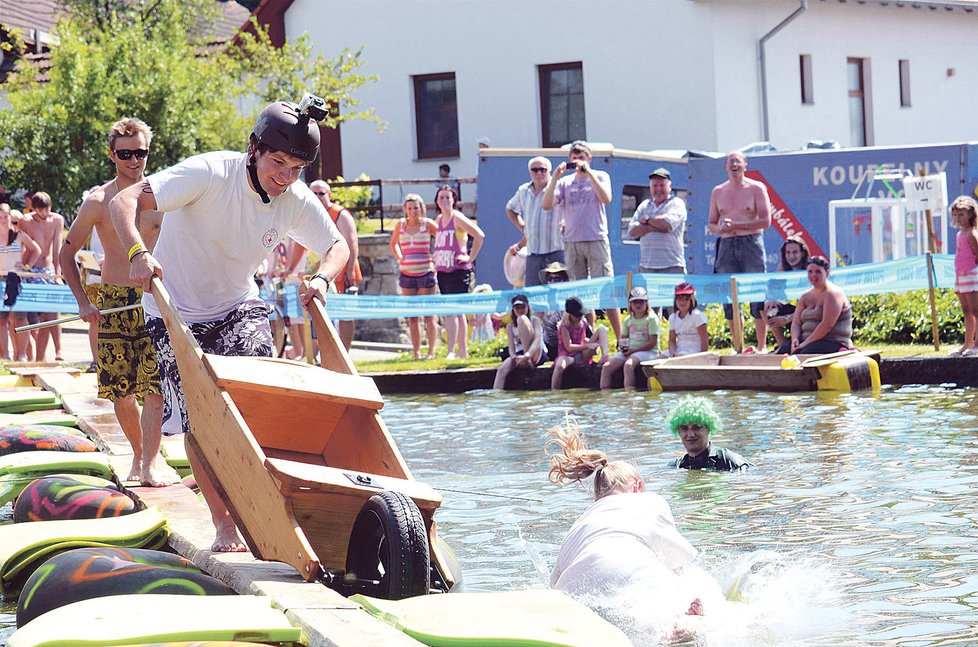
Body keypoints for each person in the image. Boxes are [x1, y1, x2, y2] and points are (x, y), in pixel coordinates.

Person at [109, 96, 349, 552]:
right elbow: (125, 201)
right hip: (172, 312)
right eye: (278, 162)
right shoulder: (210, 173)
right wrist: (139, 253)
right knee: (204, 420)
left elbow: (337, 246)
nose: (285, 176)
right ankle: (224, 525)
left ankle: (279, 502)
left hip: (238, 306)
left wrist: (320, 278)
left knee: (254, 403)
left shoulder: (294, 198)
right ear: (254, 149)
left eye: (297, 168)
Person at [60, 117, 170, 487]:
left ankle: (151, 464)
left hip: (154, 302)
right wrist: (82, 302)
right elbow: (66, 253)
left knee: (155, 387)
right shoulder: (98, 200)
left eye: (141, 152)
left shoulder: (166, 197)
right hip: (112, 301)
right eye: (126, 154)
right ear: (112, 154)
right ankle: (139, 456)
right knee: (120, 391)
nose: (134, 160)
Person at [547, 419, 713, 642]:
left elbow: (553, 585)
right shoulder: (649, 502)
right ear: (637, 487)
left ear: (598, 495)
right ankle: (684, 624)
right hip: (629, 585)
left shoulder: (580, 522)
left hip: (575, 600)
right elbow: (678, 563)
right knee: (711, 617)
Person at [543, 141, 622, 339]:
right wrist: (555, 178)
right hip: (572, 243)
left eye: (582, 158)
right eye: (574, 158)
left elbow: (606, 198)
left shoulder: (601, 176)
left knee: (606, 289)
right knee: (580, 294)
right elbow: (546, 205)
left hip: (596, 239)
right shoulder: (564, 182)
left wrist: (589, 173)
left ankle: (621, 337)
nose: (578, 162)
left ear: (589, 158)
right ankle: (588, 337)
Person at [708, 151, 772, 352]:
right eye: (730, 162)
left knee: (757, 293)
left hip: (751, 242)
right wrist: (720, 229)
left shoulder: (756, 188)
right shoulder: (718, 191)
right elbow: (711, 223)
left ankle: (761, 347)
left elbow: (765, 221)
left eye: (737, 161)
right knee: (730, 297)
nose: (734, 165)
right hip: (727, 244)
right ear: (725, 167)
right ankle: (738, 347)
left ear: (745, 165)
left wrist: (738, 225)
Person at [432, 184, 484, 360]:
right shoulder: (439, 220)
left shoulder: (458, 218)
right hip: (443, 269)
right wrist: (436, 257)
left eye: (448, 197)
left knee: (458, 310)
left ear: (454, 200)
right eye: (442, 198)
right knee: (449, 311)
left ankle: (459, 350)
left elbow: (479, 235)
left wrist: (470, 258)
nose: (445, 201)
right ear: (437, 201)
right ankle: (453, 350)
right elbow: (441, 242)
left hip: (458, 270)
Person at [309, 180, 362, 350]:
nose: (317, 197)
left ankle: (345, 351)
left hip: (344, 271)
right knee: (323, 314)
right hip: (323, 272)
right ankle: (326, 353)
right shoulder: (311, 213)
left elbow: (352, 243)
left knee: (346, 314)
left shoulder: (340, 214)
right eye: (314, 193)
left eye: (321, 193)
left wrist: (351, 270)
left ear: (329, 195)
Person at [389, 193, 438, 359]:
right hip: (407, 273)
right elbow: (393, 243)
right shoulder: (400, 225)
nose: (413, 211)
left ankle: (431, 351)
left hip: (426, 271)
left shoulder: (428, 224)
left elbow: (442, 240)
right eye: (409, 208)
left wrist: (436, 259)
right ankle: (416, 351)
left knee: (429, 314)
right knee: (412, 315)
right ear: (405, 210)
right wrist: (399, 257)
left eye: (416, 208)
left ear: (421, 208)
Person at [20, 191, 66, 361]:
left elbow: (57, 247)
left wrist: (58, 274)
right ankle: (39, 357)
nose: (45, 214)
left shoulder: (57, 220)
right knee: (37, 317)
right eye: (41, 210)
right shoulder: (27, 221)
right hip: (31, 269)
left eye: (47, 209)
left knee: (53, 311)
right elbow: (21, 245)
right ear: (34, 208)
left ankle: (58, 350)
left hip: (48, 269)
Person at [776, 256, 853, 355]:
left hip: (831, 342)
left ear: (827, 273)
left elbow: (827, 325)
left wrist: (804, 344)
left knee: (804, 354)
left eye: (818, 272)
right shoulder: (805, 296)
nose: (813, 275)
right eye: (810, 272)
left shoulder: (833, 294)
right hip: (806, 341)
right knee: (781, 353)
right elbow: (796, 322)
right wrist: (795, 340)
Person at [505, 157, 563, 289]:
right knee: (533, 295)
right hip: (533, 253)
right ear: (529, 172)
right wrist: (523, 227)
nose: (539, 173)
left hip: (556, 250)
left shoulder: (558, 188)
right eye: (535, 170)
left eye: (543, 170)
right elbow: (510, 208)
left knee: (558, 293)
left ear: (550, 171)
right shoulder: (523, 191)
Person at [627, 168, 687, 276]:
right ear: (650, 188)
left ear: (669, 187)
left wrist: (647, 220)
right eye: (655, 186)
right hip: (646, 267)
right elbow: (632, 231)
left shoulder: (676, 204)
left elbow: (667, 224)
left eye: (662, 185)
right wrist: (654, 226)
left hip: (672, 266)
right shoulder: (644, 205)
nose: (658, 189)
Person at [667, 395, 751, 471]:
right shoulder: (676, 466)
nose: (691, 434)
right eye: (684, 428)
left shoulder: (730, 461)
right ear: (678, 432)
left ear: (708, 428)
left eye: (697, 427)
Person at [0, 206, 41, 360]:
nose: (3, 221)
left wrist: (27, 265)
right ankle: (4, 355)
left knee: (21, 317)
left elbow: (36, 250)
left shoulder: (19, 235)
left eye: (5, 217)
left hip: (16, 278)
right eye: (0, 218)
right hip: (0, 278)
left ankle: (22, 355)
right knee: (2, 319)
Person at [600, 286, 659, 389]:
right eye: (635, 302)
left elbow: (653, 342)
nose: (638, 305)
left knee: (628, 365)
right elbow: (623, 338)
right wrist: (623, 348)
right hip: (631, 351)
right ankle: (605, 394)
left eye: (641, 301)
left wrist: (633, 351)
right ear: (630, 304)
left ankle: (629, 394)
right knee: (606, 367)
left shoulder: (652, 318)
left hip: (649, 352)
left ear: (646, 303)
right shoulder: (628, 319)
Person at [551, 297, 608, 390]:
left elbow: (582, 339)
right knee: (560, 366)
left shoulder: (583, 322)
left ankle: (605, 356)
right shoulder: (564, 326)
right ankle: (555, 390)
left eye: (581, 315)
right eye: (577, 315)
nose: (579, 317)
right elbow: (568, 347)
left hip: (582, 355)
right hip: (568, 355)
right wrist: (586, 346)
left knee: (602, 329)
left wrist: (592, 345)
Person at [764, 235, 810, 349]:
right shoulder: (783, 268)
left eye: (795, 252)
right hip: (795, 313)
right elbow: (771, 288)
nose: (791, 256)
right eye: (788, 253)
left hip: (809, 314)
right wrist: (771, 299)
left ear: (803, 253)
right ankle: (782, 345)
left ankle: (794, 344)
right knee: (767, 306)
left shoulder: (810, 270)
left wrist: (787, 319)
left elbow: (810, 308)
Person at [492, 293, 546, 390]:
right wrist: (513, 357)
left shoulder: (535, 320)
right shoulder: (510, 326)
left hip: (534, 352)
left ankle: (527, 359)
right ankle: (496, 394)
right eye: (517, 308)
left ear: (528, 307)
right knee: (502, 369)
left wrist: (528, 355)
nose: (520, 310)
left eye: (523, 307)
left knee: (522, 319)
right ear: (513, 310)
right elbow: (511, 346)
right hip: (519, 354)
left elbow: (537, 339)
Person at [949, 195, 978, 356]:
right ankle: (966, 344)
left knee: (976, 310)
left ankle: (976, 345)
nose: (958, 218)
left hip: (971, 275)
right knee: (966, 310)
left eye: (961, 214)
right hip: (960, 276)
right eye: (955, 214)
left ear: (970, 214)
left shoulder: (972, 234)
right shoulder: (960, 234)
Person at [663, 282, 709, 358]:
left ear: (692, 300)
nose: (682, 302)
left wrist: (702, 357)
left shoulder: (697, 316)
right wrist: (672, 352)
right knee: (657, 360)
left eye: (686, 299)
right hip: (678, 350)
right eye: (679, 299)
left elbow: (704, 340)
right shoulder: (673, 317)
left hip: (694, 351)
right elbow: (672, 340)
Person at [538, 261, 572, 361]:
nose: (553, 282)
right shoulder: (543, 301)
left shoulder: (570, 300)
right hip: (549, 347)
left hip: (567, 345)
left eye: (557, 279)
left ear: (564, 280)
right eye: (550, 279)